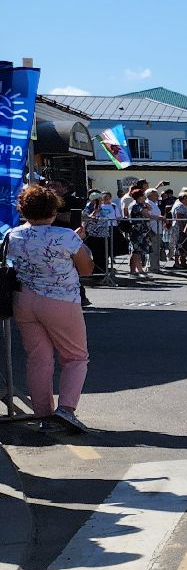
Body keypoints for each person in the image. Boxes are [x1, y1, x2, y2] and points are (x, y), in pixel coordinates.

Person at [9, 185, 94, 432]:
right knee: (75, 357)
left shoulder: (12, 235)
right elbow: (86, 269)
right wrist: (80, 241)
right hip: (60, 300)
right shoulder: (65, 236)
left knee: (38, 358)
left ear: (23, 209)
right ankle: (65, 410)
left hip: (24, 300)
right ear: (54, 210)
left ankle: (44, 414)